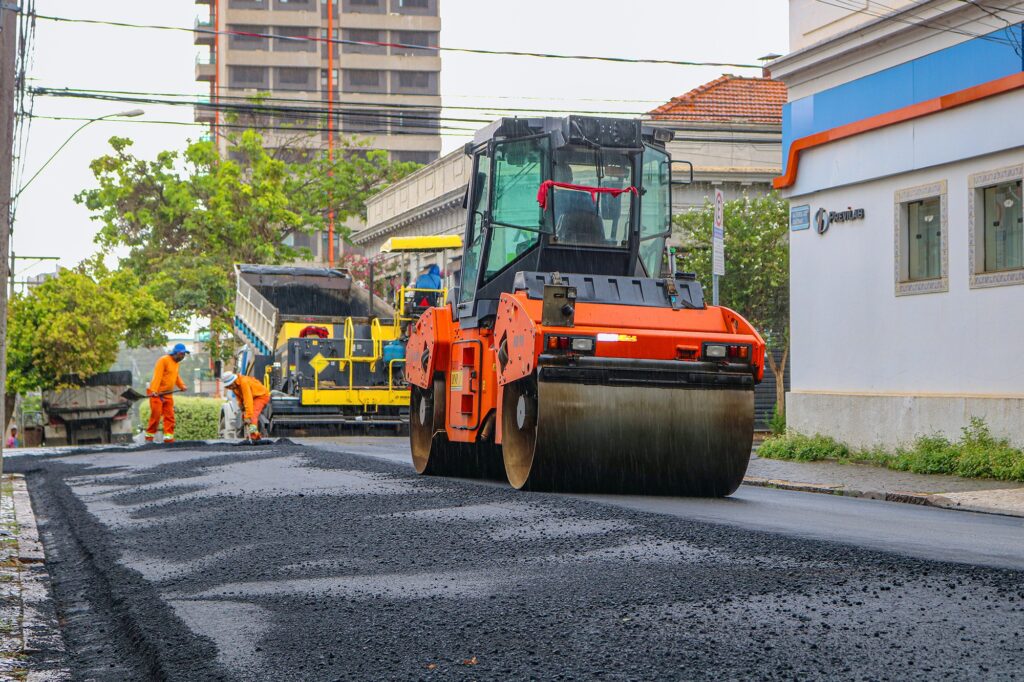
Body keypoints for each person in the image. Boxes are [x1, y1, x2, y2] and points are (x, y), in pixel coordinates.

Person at [145, 343, 189, 443]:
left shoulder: (176, 364)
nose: (183, 356)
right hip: (156, 394)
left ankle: (168, 439)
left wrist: (182, 386)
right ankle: (149, 438)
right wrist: (154, 390)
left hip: (168, 394)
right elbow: (158, 375)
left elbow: (176, 377)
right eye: (181, 354)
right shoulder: (163, 360)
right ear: (175, 353)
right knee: (156, 416)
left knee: (170, 417)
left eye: (184, 354)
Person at [222, 372, 270, 441]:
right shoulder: (235, 386)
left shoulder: (244, 382)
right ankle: (250, 434)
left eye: (230, 385)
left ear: (234, 381)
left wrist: (248, 416)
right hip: (252, 397)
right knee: (245, 416)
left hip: (261, 396)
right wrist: (241, 406)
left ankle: (254, 436)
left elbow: (248, 399)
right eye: (228, 387)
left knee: (252, 416)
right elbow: (239, 397)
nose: (230, 388)